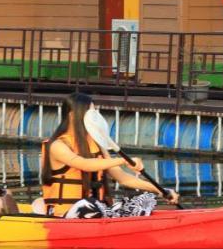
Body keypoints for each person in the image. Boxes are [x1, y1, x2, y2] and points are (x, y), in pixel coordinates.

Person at [34, 92, 177, 216]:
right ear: (72, 116)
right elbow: (84, 164)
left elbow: (124, 179)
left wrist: (161, 190)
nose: (94, 118)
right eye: (89, 113)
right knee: (88, 206)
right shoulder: (57, 145)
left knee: (144, 201)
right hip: (67, 213)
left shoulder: (96, 144)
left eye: (95, 113)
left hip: (99, 209)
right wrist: (123, 160)